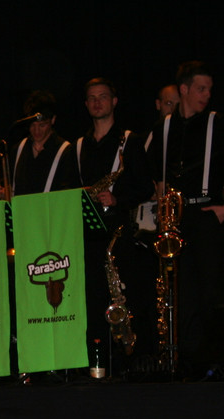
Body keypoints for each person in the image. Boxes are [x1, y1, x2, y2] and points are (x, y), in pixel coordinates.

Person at [146, 61, 224, 368]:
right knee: (180, 292)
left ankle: (213, 360)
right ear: (184, 90)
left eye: (209, 90)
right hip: (175, 219)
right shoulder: (164, 127)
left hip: (205, 213)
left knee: (209, 289)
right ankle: (185, 360)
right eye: (201, 89)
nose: (207, 95)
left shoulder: (217, 123)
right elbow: (157, 177)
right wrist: (163, 213)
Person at [75, 78, 157, 365]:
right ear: (86, 104)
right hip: (89, 235)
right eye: (92, 98)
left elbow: (145, 187)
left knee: (125, 297)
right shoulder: (79, 146)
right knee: (93, 299)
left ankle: (130, 361)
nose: (97, 102)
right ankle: (98, 364)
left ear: (114, 101)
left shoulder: (129, 141)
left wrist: (117, 198)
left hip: (120, 234)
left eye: (103, 96)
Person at [0, 90, 77, 199]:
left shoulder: (65, 151)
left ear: (53, 119)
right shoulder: (18, 149)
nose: (36, 130)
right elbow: (14, 191)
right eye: (32, 125)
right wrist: (2, 194)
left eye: (42, 125)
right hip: (22, 210)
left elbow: (67, 193)